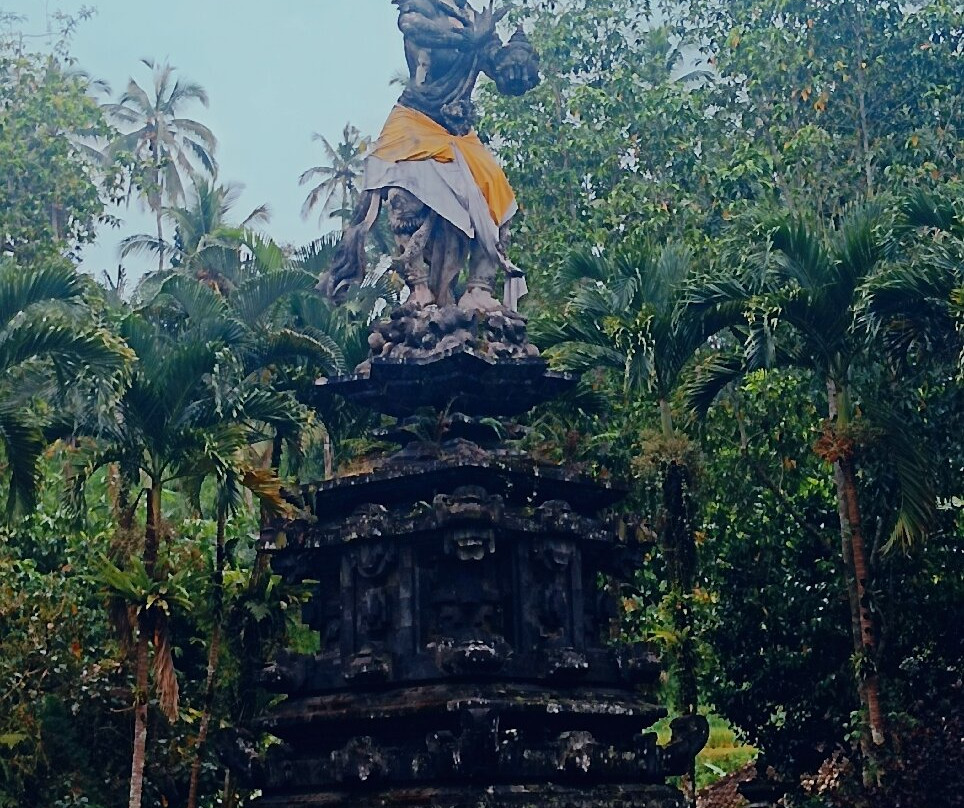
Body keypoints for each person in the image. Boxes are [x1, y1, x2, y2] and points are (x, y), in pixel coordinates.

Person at [323, 0, 539, 312]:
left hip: (457, 133)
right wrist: (470, 39)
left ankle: (479, 288)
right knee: (402, 194)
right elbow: (412, 27)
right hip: (414, 120)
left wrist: (518, 65)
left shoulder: (472, 20)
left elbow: (498, 67)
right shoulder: (421, 8)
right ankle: (418, 287)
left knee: (497, 194)